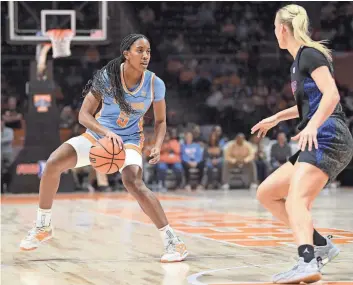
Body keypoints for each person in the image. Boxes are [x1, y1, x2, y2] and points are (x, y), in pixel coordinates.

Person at [20, 34, 188, 263]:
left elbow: (160, 122)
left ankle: (173, 242)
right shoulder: (107, 77)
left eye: (148, 51)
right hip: (98, 135)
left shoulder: (154, 83)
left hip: (129, 139)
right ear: (126, 54)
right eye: (140, 50)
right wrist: (106, 133)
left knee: (133, 181)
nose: (145, 56)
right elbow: (83, 115)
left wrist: (157, 145)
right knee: (52, 164)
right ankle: (43, 226)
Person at [251, 5, 353, 283]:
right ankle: (321, 245)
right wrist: (276, 117)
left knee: (297, 200)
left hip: (328, 134)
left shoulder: (310, 54)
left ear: (282, 29)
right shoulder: (299, 61)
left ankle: (308, 262)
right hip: (320, 133)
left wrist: (312, 125)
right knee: (267, 192)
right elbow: (309, 105)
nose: (274, 33)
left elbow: (331, 95)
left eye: (275, 27)